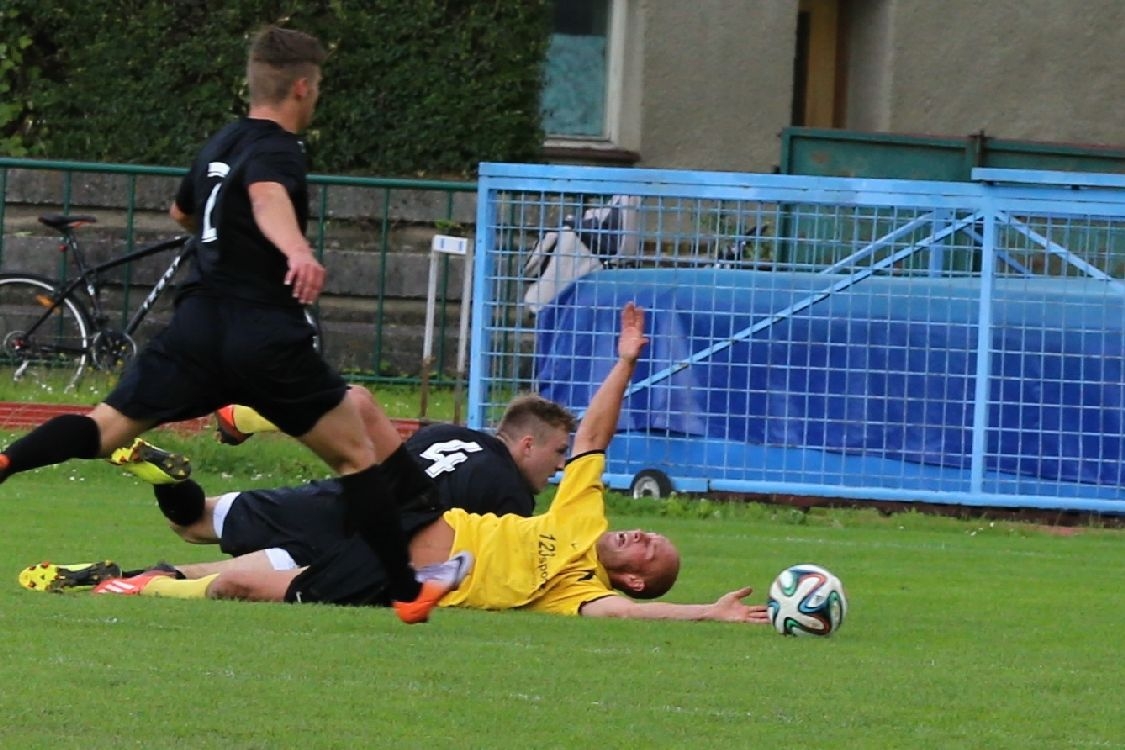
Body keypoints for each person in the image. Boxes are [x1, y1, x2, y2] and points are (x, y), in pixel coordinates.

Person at [0, 26, 455, 623]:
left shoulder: (222, 142)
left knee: (101, 429)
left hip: (197, 325)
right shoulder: (278, 150)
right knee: (356, 459)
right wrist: (295, 251)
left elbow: (182, 211)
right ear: (301, 87)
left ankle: (7, 462)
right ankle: (405, 593)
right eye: (315, 87)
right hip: (264, 331)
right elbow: (268, 197)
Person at [32, 304, 771, 624]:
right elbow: (595, 438)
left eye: (649, 551)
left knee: (230, 580)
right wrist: (624, 362)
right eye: (649, 534)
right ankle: (250, 407)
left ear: (634, 579)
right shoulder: (579, 511)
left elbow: (627, 618)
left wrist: (704, 610)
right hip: (419, 512)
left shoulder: (577, 591)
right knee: (358, 403)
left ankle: (131, 589)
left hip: (399, 573)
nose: (640, 537)